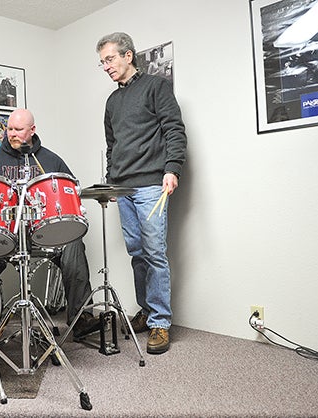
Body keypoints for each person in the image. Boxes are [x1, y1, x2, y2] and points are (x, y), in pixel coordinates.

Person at [96, 32, 187, 354]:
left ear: (128, 56)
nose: (105, 66)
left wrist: (172, 169)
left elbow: (174, 129)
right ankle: (147, 311)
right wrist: (110, 181)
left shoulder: (156, 87)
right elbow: (112, 146)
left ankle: (161, 323)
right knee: (137, 253)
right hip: (122, 187)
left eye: (109, 59)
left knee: (155, 253)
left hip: (151, 184)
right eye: (102, 61)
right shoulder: (112, 101)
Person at [0, 108, 101, 340]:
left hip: (44, 233)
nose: (12, 134)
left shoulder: (51, 160)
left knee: (74, 243)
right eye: (10, 129)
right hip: (7, 235)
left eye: (18, 130)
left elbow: (70, 191)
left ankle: (81, 317)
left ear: (32, 130)